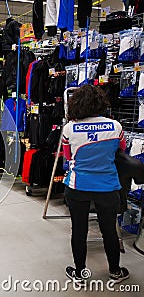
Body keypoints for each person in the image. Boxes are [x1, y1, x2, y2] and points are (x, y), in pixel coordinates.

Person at [62, 85, 129, 286]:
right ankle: (115, 272)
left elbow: (68, 157)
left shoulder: (69, 128)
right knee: (109, 229)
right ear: (100, 102)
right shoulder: (115, 126)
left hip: (77, 185)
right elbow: (121, 151)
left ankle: (80, 274)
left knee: (79, 230)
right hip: (107, 185)